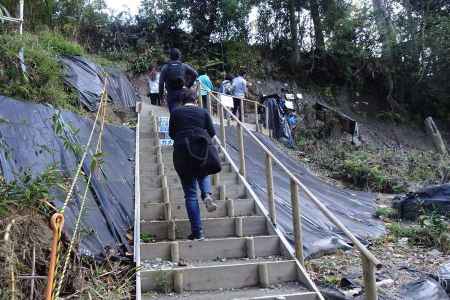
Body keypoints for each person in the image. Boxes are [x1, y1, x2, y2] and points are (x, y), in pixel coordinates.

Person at [169, 88, 218, 240]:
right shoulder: (203, 112)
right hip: (200, 150)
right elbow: (211, 132)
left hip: (182, 153)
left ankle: (198, 233)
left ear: (182, 101)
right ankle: (207, 194)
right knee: (203, 171)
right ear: (195, 100)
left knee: (190, 194)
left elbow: (171, 133)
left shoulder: (176, 112)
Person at [159, 48, 198, 113]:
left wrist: (161, 97)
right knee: (183, 113)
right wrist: (188, 85)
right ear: (179, 56)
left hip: (171, 94)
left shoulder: (165, 67)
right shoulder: (184, 66)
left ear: (170, 56)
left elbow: (161, 83)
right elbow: (195, 74)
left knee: (173, 114)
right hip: (182, 93)